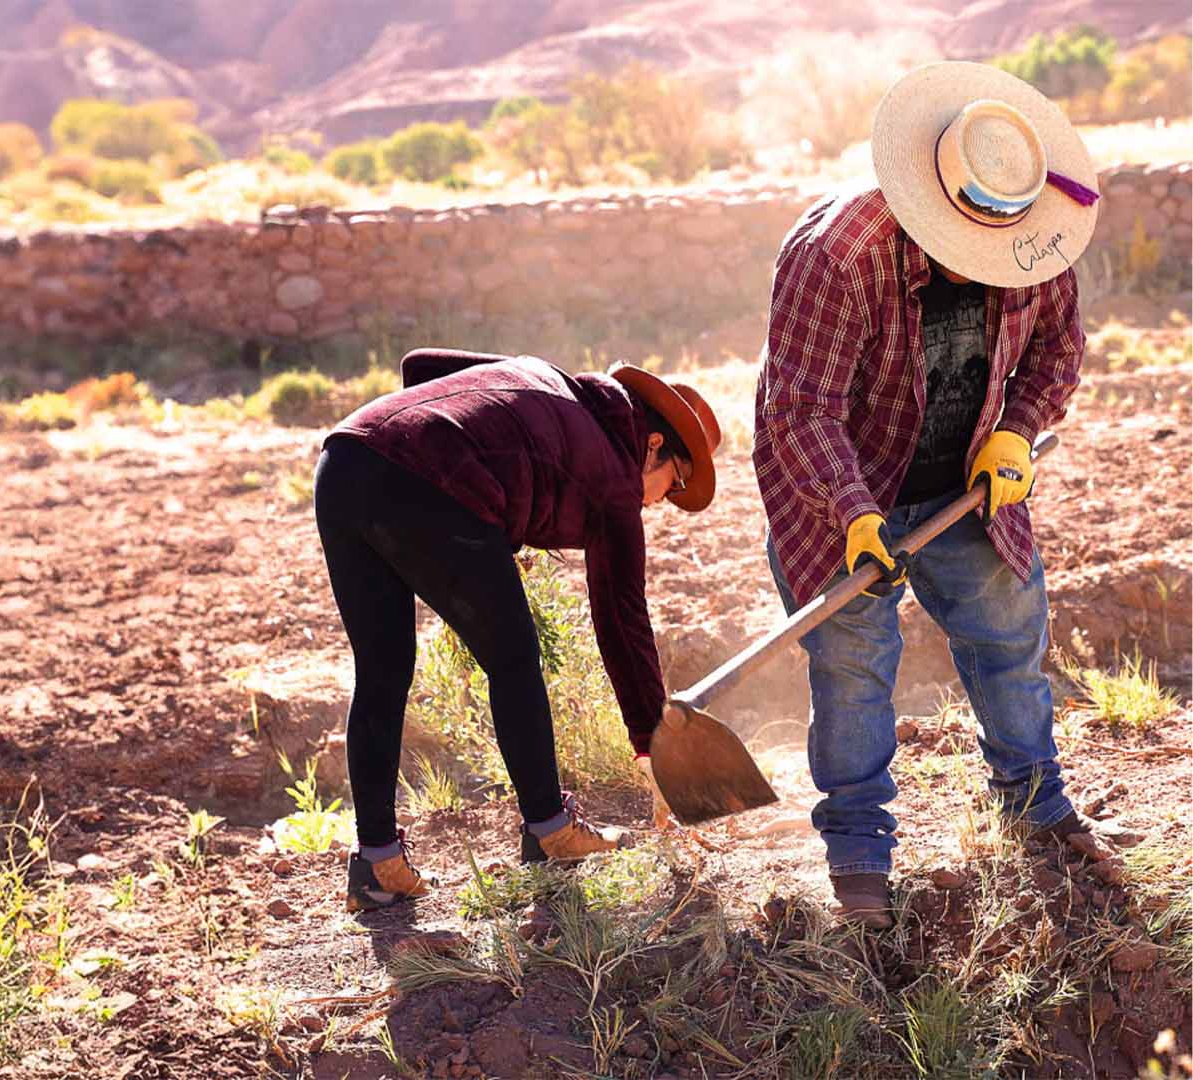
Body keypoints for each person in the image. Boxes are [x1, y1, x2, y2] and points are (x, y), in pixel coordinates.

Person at [753, 62, 1116, 928]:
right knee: (851, 673)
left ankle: (1036, 804)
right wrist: (854, 515)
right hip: (836, 488)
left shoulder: (1037, 232)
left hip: (966, 488)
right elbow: (799, 408)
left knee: (1009, 642)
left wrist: (1015, 432)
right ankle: (859, 859)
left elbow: (1059, 355)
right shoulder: (839, 255)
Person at [314, 348, 721, 912]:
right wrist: (651, 738)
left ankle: (377, 861)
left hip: (346, 459)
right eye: (672, 484)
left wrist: (498, 504)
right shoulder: (612, 478)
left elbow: (421, 367)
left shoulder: (545, 377)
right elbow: (621, 617)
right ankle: (551, 829)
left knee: (382, 671)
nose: (659, 503)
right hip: (427, 488)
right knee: (514, 660)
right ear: (653, 445)